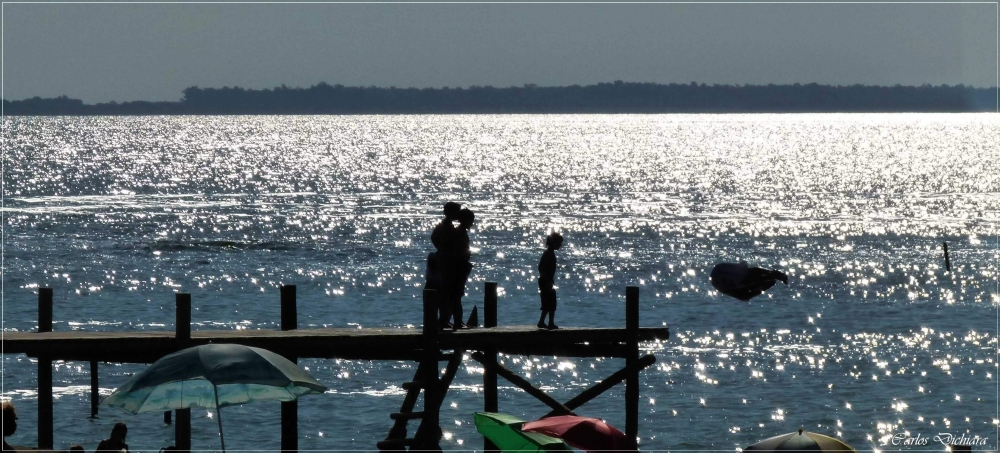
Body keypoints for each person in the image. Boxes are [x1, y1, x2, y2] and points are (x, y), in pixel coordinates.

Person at [430, 202, 461, 329]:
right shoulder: (447, 226)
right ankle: (443, 319)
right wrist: (444, 249)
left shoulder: (443, 225)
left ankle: (444, 319)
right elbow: (436, 239)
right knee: (446, 292)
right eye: (457, 212)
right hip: (447, 262)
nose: (458, 214)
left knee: (446, 292)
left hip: (445, 260)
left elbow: (433, 238)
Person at [447, 208, 475, 330]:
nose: (472, 223)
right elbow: (458, 252)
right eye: (471, 221)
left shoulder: (459, 232)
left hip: (458, 267)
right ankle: (457, 321)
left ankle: (455, 320)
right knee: (456, 295)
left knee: (456, 295)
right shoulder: (459, 233)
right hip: (457, 269)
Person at [709, 262, 788, 301]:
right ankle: (772, 276)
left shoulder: (740, 286)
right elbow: (753, 276)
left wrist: (771, 274)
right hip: (722, 277)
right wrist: (772, 275)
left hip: (721, 275)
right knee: (748, 284)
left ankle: (771, 276)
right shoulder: (741, 284)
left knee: (751, 278)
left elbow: (753, 273)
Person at [537, 232, 563, 330]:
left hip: (547, 280)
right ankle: (549, 323)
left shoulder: (549, 253)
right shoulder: (548, 253)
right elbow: (540, 267)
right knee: (549, 302)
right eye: (559, 243)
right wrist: (546, 279)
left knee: (549, 302)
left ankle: (543, 322)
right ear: (554, 243)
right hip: (545, 281)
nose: (560, 245)